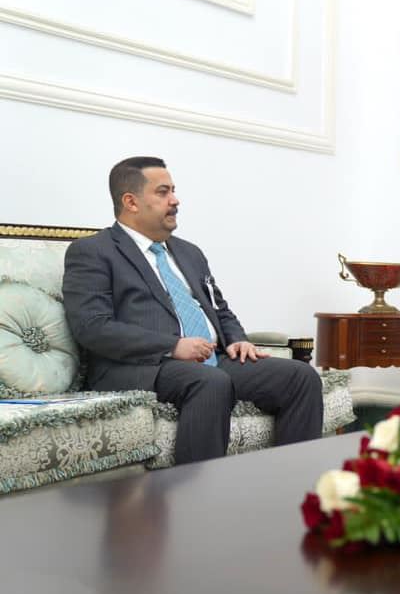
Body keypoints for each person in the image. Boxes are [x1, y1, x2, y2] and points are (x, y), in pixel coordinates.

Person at [63, 156, 324, 464]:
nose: (175, 200)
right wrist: (172, 346)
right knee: (209, 382)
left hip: (210, 359)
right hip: (141, 367)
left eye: (173, 190)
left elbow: (219, 308)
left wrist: (237, 339)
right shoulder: (93, 251)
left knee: (301, 376)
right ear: (131, 202)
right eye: (163, 192)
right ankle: (199, 492)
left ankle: (292, 483)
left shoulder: (188, 252)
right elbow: (92, 327)